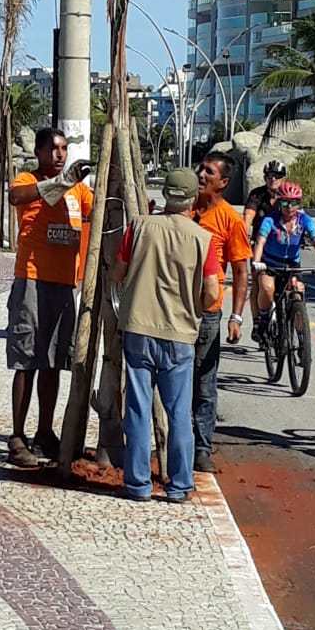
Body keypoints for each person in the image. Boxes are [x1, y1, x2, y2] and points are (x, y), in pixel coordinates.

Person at [111, 168, 220, 503]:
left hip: (138, 329)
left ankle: (138, 484)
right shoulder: (203, 239)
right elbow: (213, 293)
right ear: (192, 198)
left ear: (167, 194)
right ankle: (179, 485)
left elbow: (119, 272)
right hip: (179, 335)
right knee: (178, 413)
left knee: (138, 408)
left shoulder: (139, 226)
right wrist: (196, 304)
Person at [5, 127, 93, 468]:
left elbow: (97, 208)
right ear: (40, 153)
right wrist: (58, 182)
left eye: (63, 149)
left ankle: (45, 431)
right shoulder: (28, 180)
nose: (59, 154)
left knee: (54, 361)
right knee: (27, 359)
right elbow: (19, 196)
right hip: (32, 280)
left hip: (63, 284)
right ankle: (17, 436)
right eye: (53, 149)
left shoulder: (77, 191)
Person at [191, 151, 252, 473]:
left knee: (203, 381)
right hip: (174, 309)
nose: (201, 175)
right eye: (200, 169)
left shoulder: (230, 219)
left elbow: (241, 272)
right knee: (173, 378)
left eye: (209, 172)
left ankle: (201, 449)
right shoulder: (183, 208)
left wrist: (236, 316)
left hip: (208, 313)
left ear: (224, 182)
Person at [251, 179, 315, 335]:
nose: (290, 208)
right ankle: (263, 318)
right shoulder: (270, 220)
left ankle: (301, 334)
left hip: (292, 265)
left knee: (298, 290)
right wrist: (256, 261)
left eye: (294, 203)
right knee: (267, 288)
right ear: (279, 203)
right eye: (285, 203)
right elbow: (260, 241)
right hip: (270, 264)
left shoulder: (305, 220)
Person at [244, 160, 287, 342]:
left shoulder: (288, 195)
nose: (273, 179)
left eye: (277, 176)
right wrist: (245, 233)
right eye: (269, 176)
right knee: (259, 283)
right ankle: (258, 321)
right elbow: (248, 216)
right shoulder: (257, 195)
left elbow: (300, 217)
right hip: (260, 246)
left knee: (293, 288)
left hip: (283, 245)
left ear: (283, 178)